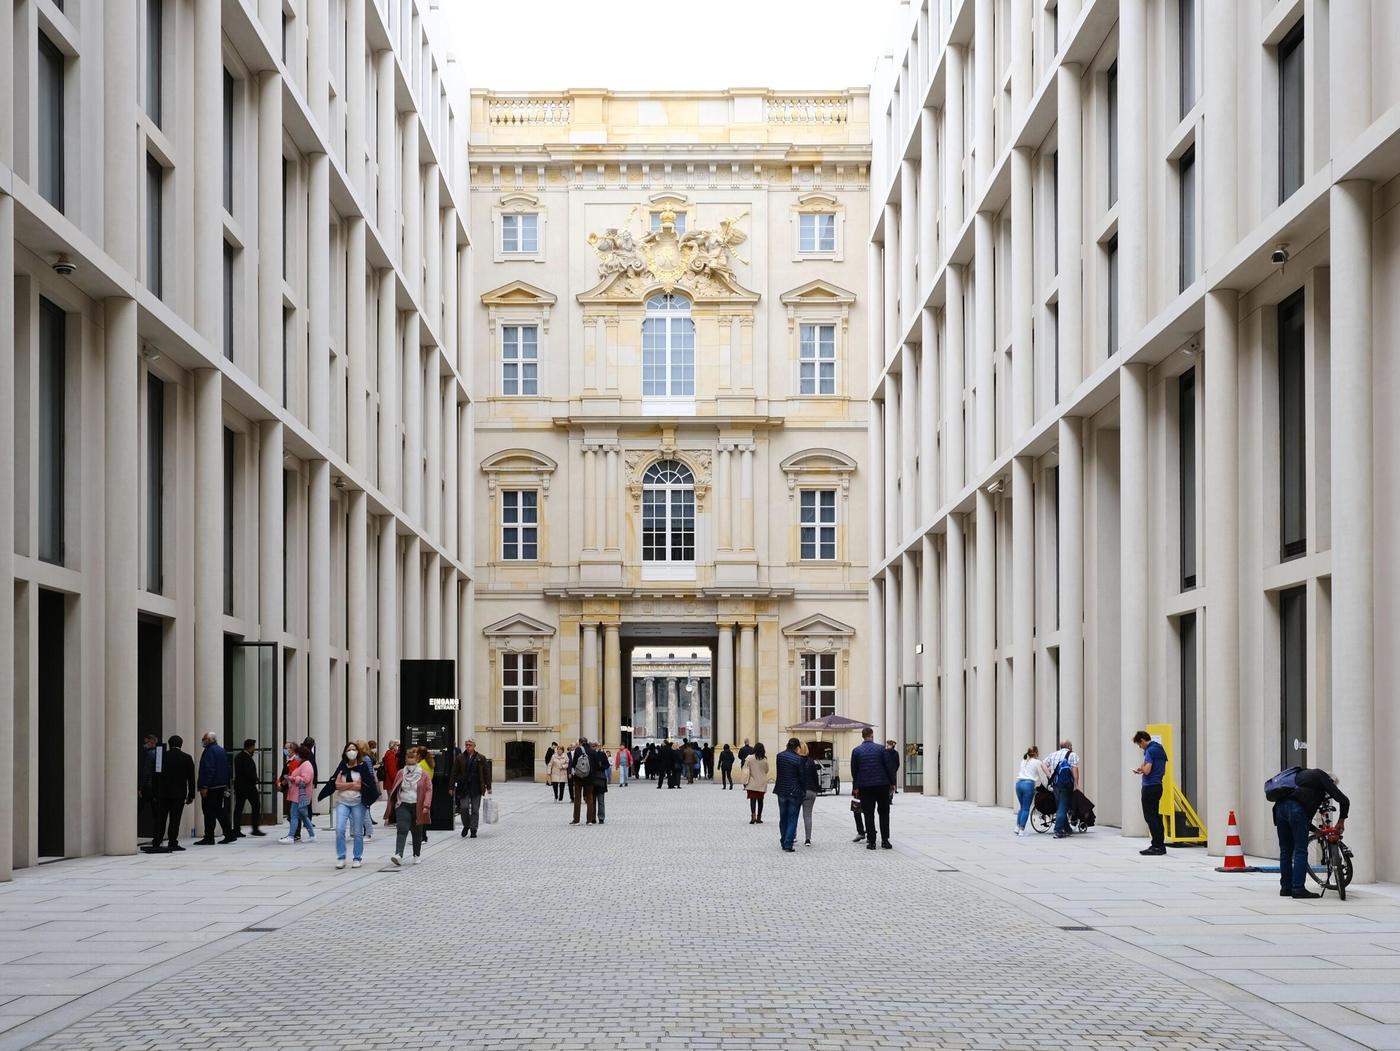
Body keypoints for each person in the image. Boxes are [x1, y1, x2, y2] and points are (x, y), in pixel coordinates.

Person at [1273, 767, 1350, 900]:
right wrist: (1341, 820)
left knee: (1285, 851)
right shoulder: (1321, 776)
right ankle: (1298, 889)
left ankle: (1286, 888)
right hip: (1295, 809)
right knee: (1300, 850)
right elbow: (1344, 800)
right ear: (1330, 781)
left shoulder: (1303, 778)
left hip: (1279, 808)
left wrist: (1316, 831)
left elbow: (1302, 818)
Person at [145, 735, 195, 853]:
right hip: (179, 794)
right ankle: (173, 842)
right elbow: (191, 778)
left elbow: (155, 775)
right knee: (175, 819)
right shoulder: (186, 758)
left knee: (160, 819)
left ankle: (157, 841)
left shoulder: (161, 756)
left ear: (169, 743)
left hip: (162, 794)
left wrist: (155, 792)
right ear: (181, 744)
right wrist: (191, 795)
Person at [330, 741, 373, 869]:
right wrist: (351, 785)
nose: (351, 751)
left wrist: (347, 786)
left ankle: (357, 857)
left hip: (358, 802)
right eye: (349, 749)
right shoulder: (342, 766)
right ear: (345, 752)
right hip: (343, 801)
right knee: (340, 829)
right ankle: (341, 856)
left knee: (358, 832)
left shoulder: (362, 766)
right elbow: (336, 785)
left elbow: (362, 785)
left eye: (354, 749)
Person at [851, 727, 895, 850]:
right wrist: (892, 783)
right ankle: (885, 840)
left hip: (865, 786)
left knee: (868, 814)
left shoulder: (856, 751)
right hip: (882, 785)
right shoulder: (881, 749)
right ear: (872, 735)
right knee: (884, 812)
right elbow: (888, 767)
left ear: (862, 736)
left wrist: (855, 787)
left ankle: (872, 842)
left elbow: (854, 771)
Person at [387, 746, 432, 865]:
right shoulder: (401, 773)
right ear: (405, 759)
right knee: (402, 828)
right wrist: (395, 803)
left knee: (417, 831)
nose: (410, 759)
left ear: (417, 759)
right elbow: (396, 787)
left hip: (418, 805)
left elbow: (428, 790)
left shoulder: (423, 774)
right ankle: (398, 854)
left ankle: (416, 854)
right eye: (408, 757)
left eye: (413, 757)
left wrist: (426, 805)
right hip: (403, 804)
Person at [1131, 731, 1169, 855]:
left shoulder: (1150, 750)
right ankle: (1160, 844)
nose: (1139, 747)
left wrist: (1141, 770)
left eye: (1139, 744)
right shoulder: (1160, 749)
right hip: (1158, 785)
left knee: (1150, 817)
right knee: (1156, 816)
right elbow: (1162, 769)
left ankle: (1156, 846)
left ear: (1142, 740)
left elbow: (1147, 770)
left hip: (1149, 786)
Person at [196, 732, 236, 845]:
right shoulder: (221, 750)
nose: (202, 740)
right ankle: (229, 834)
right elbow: (227, 768)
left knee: (208, 812)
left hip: (211, 787)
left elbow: (209, 769)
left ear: (209, 740)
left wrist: (204, 786)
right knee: (219, 811)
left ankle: (209, 837)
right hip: (220, 786)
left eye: (204, 738)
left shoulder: (209, 751)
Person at [452, 738, 491, 838]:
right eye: (466, 745)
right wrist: (451, 786)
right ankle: (466, 825)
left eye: (470, 745)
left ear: (474, 746)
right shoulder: (460, 757)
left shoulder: (481, 758)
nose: (468, 746)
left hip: (476, 787)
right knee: (463, 808)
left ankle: (473, 829)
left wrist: (488, 786)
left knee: (475, 809)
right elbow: (454, 773)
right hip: (464, 787)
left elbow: (486, 773)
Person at [279, 744, 316, 843]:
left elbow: (305, 780)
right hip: (298, 794)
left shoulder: (306, 765)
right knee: (303, 816)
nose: (296, 756)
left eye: (298, 754)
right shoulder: (303, 764)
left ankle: (291, 836)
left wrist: (292, 778)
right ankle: (312, 835)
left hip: (299, 795)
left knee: (294, 815)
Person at [1044, 739, 1081, 839]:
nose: (1072, 747)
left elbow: (1043, 764)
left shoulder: (1053, 754)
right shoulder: (1072, 755)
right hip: (1066, 784)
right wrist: (1076, 784)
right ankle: (1058, 830)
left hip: (1056, 784)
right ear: (1068, 746)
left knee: (1060, 805)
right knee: (1062, 807)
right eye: (1071, 745)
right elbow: (1074, 769)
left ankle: (1067, 829)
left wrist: (1049, 776)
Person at [773, 739, 805, 852]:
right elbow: (801, 777)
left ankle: (783, 840)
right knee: (792, 818)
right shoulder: (798, 759)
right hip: (794, 792)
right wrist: (803, 791)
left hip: (781, 790)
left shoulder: (779, 756)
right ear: (797, 747)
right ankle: (788, 843)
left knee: (783, 817)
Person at [232, 739, 265, 838]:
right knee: (255, 805)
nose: (254, 749)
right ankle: (254, 828)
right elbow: (248, 772)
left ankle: (237, 829)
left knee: (239, 807)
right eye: (254, 747)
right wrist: (255, 779)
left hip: (241, 787)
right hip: (248, 787)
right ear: (250, 747)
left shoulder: (239, 757)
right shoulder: (245, 757)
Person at [1014, 745, 1048, 836]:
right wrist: (1048, 786)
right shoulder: (1037, 762)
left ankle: (1017, 827)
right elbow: (1042, 776)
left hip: (1018, 784)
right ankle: (1022, 830)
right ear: (1036, 753)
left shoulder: (1024, 761)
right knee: (1026, 808)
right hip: (1028, 785)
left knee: (1021, 807)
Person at [138, 733, 162, 845]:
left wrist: (140, 787)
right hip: (156, 787)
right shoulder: (159, 754)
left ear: (152, 742)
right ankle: (157, 836)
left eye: (146, 742)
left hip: (148, 787)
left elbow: (146, 772)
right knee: (156, 813)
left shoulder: (149, 754)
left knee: (139, 809)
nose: (144, 744)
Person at [570, 737, 598, 825]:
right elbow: (597, 765)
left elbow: (574, 763)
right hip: (589, 778)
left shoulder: (578, 750)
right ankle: (589, 820)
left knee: (577, 798)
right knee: (589, 798)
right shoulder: (592, 751)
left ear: (580, 742)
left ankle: (576, 820)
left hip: (579, 778)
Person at [798, 742, 819, 846]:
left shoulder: (795, 761)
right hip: (811, 791)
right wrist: (816, 790)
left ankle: (792, 837)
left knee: (794, 815)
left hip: (798, 791)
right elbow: (816, 778)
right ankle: (808, 839)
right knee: (808, 816)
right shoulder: (811, 762)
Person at [745, 744, 769, 824]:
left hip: (752, 782)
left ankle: (753, 816)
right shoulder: (764, 760)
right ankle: (759, 817)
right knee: (760, 800)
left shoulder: (749, 758)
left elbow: (745, 769)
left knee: (752, 800)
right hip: (761, 782)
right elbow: (766, 770)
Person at [592, 745, 610, 824]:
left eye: (596, 745)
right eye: (593, 746)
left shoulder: (602, 754)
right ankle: (594, 818)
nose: (595, 747)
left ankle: (600, 818)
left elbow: (607, 765)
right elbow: (607, 765)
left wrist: (600, 767)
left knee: (600, 800)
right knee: (594, 800)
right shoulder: (591, 754)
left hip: (598, 778)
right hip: (596, 779)